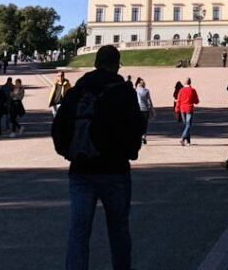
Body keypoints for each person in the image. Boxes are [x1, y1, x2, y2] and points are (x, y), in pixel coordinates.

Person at [52, 44, 143, 270]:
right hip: (114, 169)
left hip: (81, 169)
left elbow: (59, 127)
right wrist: (129, 152)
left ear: (95, 64)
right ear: (117, 65)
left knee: (79, 230)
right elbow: (136, 126)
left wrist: (69, 152)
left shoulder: (77, 91)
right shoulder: (123, 91)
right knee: (118, 229)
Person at [175, 77, 199, 145]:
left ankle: (188, 141)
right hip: (189, 109)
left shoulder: (181, 90)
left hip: (182, 109)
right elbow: (196, 101)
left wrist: (177, 109)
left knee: (186, 125)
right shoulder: (192, 90)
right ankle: (183, 138)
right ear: (190, 83)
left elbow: (178, 100)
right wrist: (194, 101)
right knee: (188, 125)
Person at [135, 78, 155, 145]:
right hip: (145, 109)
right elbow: (149, 101)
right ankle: (144, 136)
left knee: (138, 123)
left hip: (138, 109)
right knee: (145, 124)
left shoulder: (136, 90)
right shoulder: (146, 91)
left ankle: (139, 135)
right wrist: (152, 110)